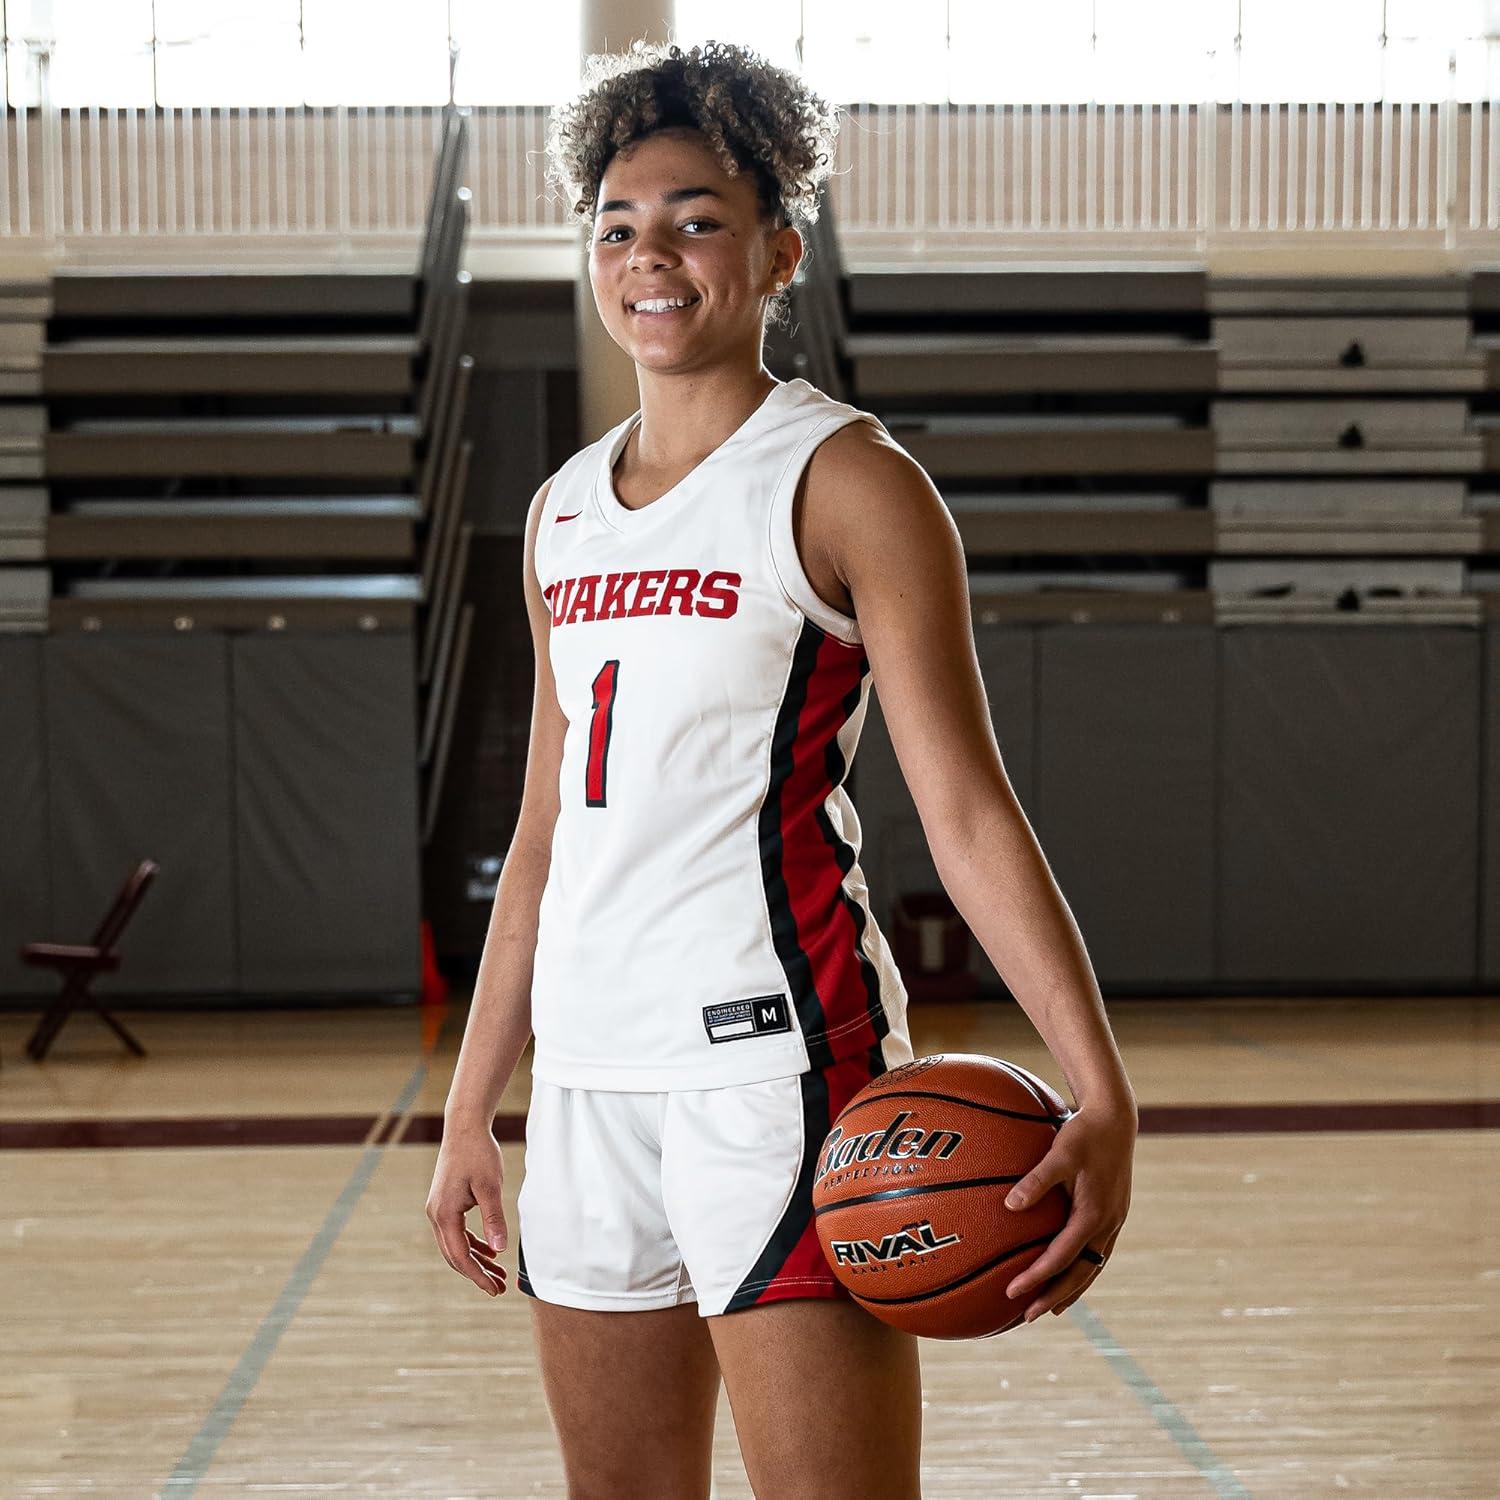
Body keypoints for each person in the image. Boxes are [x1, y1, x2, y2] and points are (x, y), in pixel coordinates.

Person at [426, 38, 1138, 1500]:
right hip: (588, 1083)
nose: (652, 255)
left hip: (776, 1067)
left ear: (777, 248)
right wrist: (472, 1101)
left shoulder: (846, 480)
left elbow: (963, 803)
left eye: (696, 218)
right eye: (619, 226)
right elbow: (546, 831)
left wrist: (1097, 1084)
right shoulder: (562, 511)